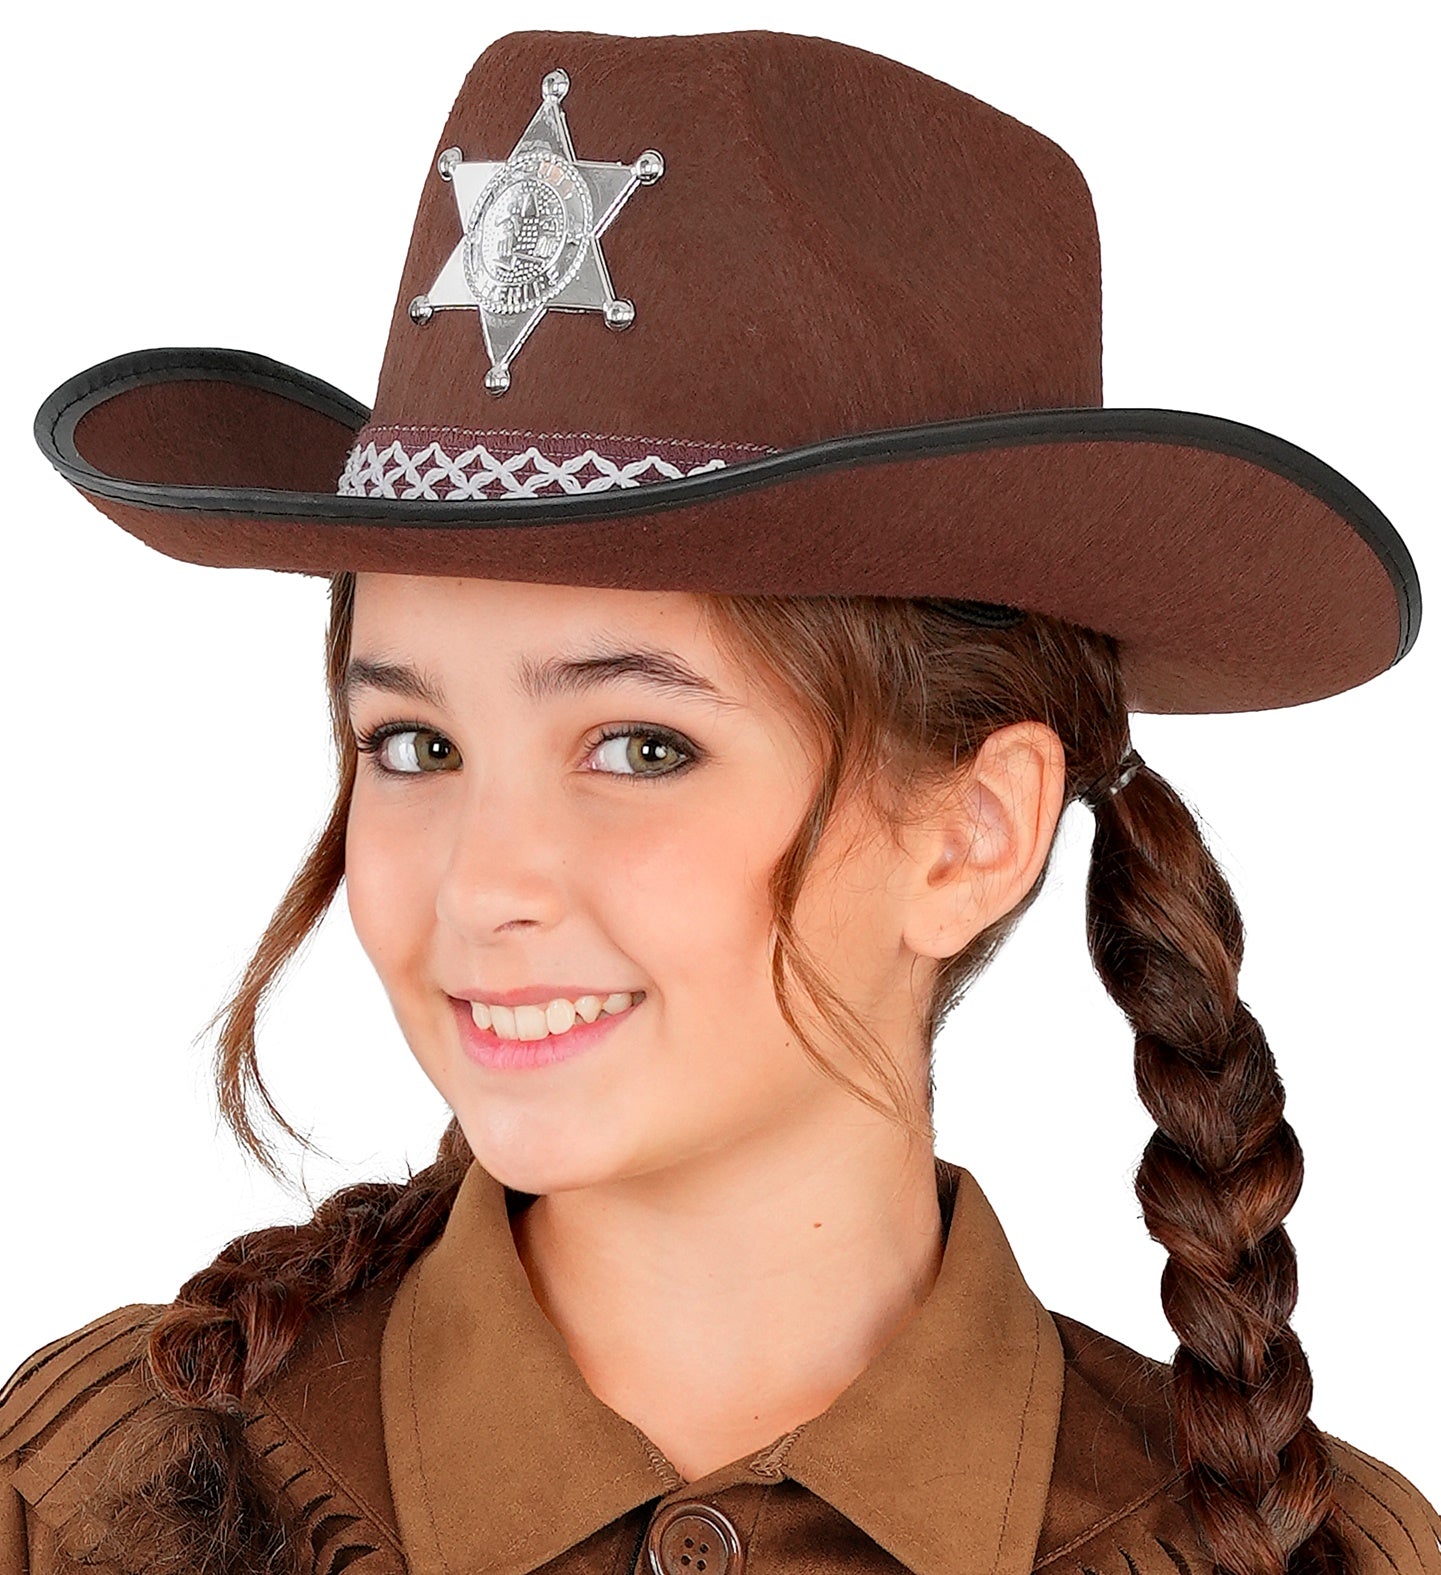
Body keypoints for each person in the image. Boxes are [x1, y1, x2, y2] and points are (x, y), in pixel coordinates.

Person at [3, 25, 1437, 1575]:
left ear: (972, 832)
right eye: (414, 747)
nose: (484, 884)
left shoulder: (1287, 1547)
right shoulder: (93, 1506)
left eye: (637, 746)